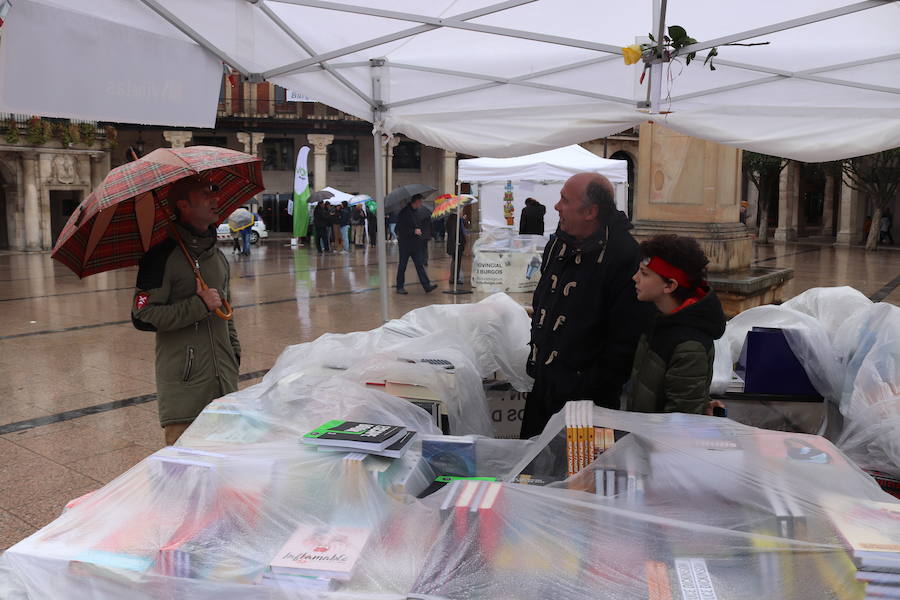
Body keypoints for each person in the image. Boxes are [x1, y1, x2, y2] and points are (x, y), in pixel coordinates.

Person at [521, 173, 654, 439]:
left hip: (589, 404)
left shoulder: (624, 255)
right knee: (530, 467)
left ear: (591, 211)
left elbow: (627, 337)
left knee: (580, 477)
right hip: (544, 387)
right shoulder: (557, 244)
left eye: (564, 200)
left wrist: (587, 383)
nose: (557, 206)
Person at [131, 176, 240, 445]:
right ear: (183, 205)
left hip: (224, 385)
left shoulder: (217, 255)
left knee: (225, 473)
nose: (215, 199)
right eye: (205, 195)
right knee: (184, 476)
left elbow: (226, 309)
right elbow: (142, 316)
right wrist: (199, 305)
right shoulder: (159, 257)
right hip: (185, 389)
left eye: (215, 191)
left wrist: (233, 354)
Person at [624, 234, 727, 415]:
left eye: (644, 273)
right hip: (643, 432)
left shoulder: (689, 346)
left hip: (658, 440)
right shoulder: (658, 318)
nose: (635, 278)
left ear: (670, 285)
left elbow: (681, 420)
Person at [395, 194, 437, 294]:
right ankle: (399, 286)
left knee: (420, 265)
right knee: (402, 265)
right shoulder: (404, 213)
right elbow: (399, 230)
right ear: (416, 202)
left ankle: (427, 286)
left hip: (415, 244)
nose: (421, 204)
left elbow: (419, 225)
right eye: (420, 202)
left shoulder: (417, 212)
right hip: (405, 244)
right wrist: (413, 231)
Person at [446, 212, 467, 284]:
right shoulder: (454, 219)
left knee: (456, 260)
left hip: (457, 244)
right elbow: (453, 233)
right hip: (456, 244)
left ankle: (454, 278)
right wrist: (455, 244)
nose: (462, 211)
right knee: (456, 261)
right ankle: (454, 278)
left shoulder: (455, 219)